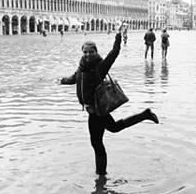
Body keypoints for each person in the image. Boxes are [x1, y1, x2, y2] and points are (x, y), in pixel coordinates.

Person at [59, 32, 158, 175]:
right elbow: (75, 78)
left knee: (97, 144)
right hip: (93, 110)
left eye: (91, 52)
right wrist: (63, 80)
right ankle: (144, 115)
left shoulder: (100, 66)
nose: (88, 55)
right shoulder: (82, 67)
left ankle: (101, 177)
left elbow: (114, 53)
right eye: (85, 52)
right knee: (113, 128)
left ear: (96, 52)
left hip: (97, 110)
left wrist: (118, 37)